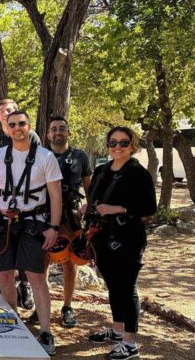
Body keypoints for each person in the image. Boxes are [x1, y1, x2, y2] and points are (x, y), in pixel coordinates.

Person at [0, 111, 63, 355]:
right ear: (7, 128)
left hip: (33, 223)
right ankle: (12, 324)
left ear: (29, 126)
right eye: (12, 124)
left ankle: (45, 331)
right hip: (3, 223)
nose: (17, 128)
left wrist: (54, 227)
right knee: (5, 275)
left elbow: (55, 195)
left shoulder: (45, 156)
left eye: (21, 124)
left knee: (36, 278)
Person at [84, 126, 156, 360]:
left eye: (124, 143)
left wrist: (119, 209)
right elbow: (95, 198)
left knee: (127, 288)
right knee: (113, 286)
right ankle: (117, 330)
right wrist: (89, 207)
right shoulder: (102, 170)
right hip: (102, 236)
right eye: (113, 142)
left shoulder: (139, 174)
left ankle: (130, 342)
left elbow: (149, 209)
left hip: (128, 238)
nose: (117, 147)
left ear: (132, 146)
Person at [28, 116, 92, 327]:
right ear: (47, 135)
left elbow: (89, 187)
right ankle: (41, 306)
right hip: (43, 215)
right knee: (42, 262)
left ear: (69, 133)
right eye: (54, 129)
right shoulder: (38, 155)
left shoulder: (80, 156)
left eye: (62, 128)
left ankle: (67, 306)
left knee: (70, 262)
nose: (58, 132)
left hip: (70, 217)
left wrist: (91, 211)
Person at [0, 98, 40, 310]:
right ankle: (9, 305)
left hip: (28, 204)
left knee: (26, 254)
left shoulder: (31, 136)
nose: (5, 112)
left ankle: (25, 286)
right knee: (5, 254)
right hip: (2, 205)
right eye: (2, 110)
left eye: (10, 109)